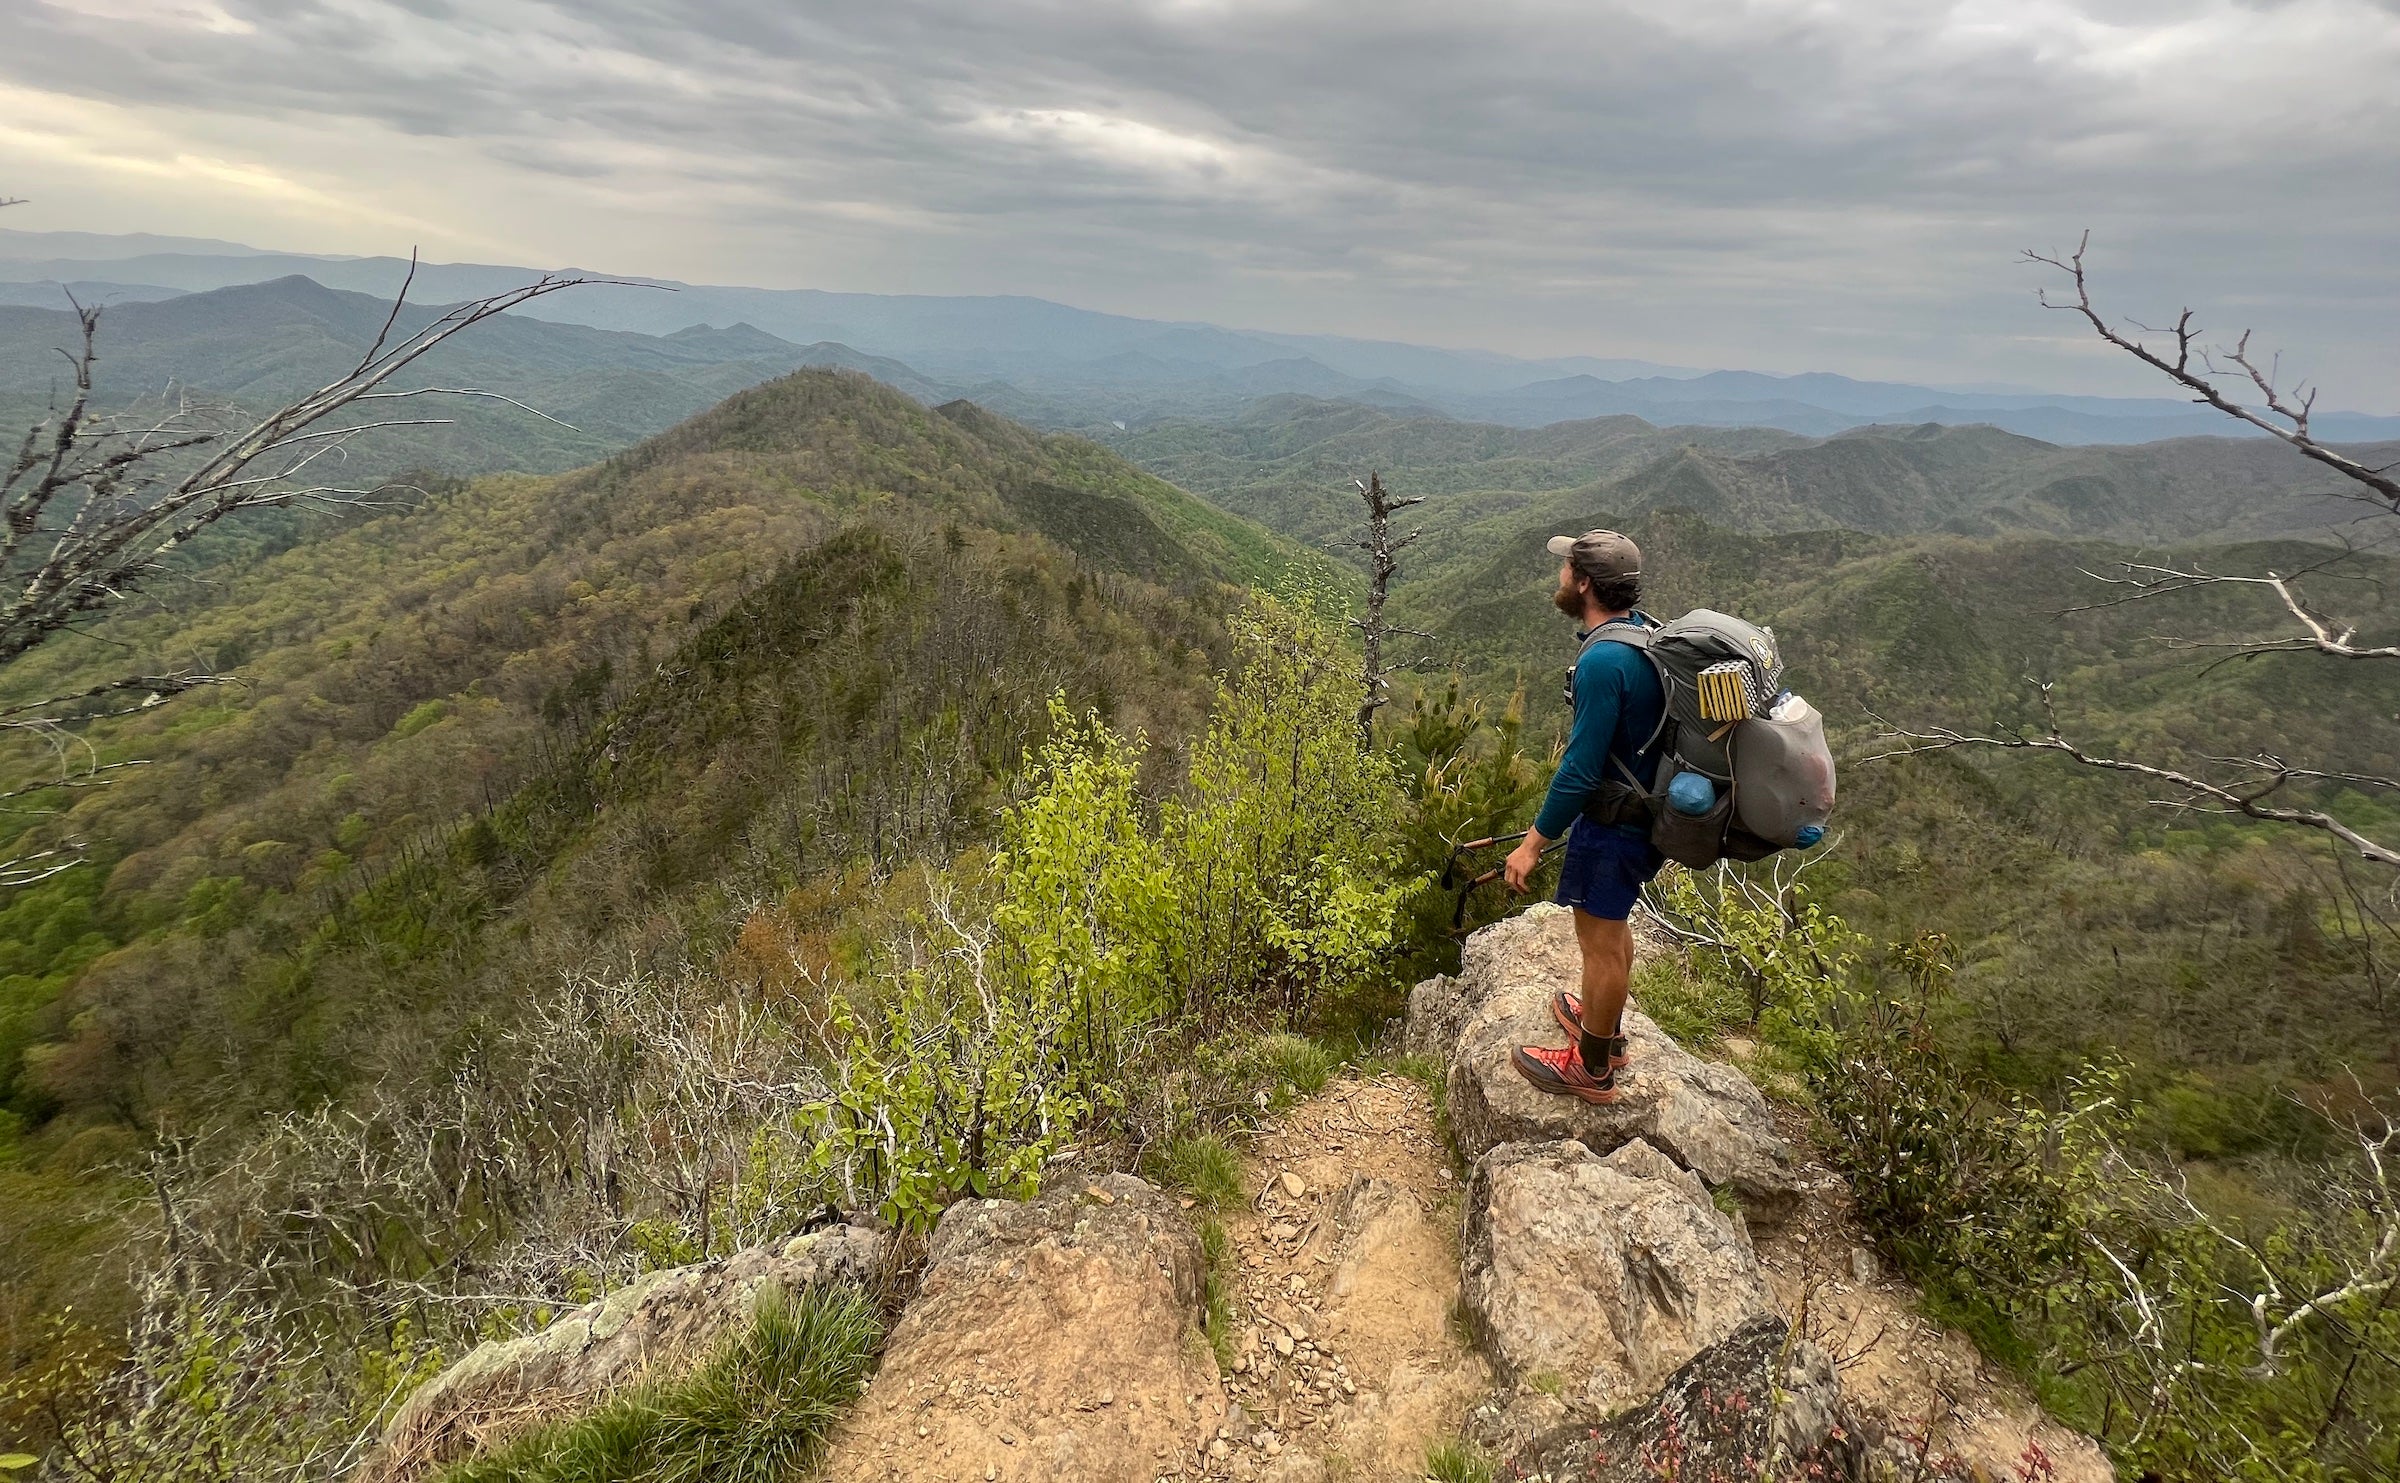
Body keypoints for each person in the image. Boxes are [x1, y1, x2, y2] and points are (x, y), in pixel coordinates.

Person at [1501, 529, 1666, 1105]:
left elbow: (1578, 769)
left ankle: (1592, 1067)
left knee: (1598, 943)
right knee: (1612, 928)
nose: (1560, 578)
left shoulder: (1603, 661)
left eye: (1566, 569)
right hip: (1646, 811)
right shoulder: (1647, 635)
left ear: (1585, 583)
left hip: (1614, 820)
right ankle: (1606, 1029)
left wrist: (1533, 843)